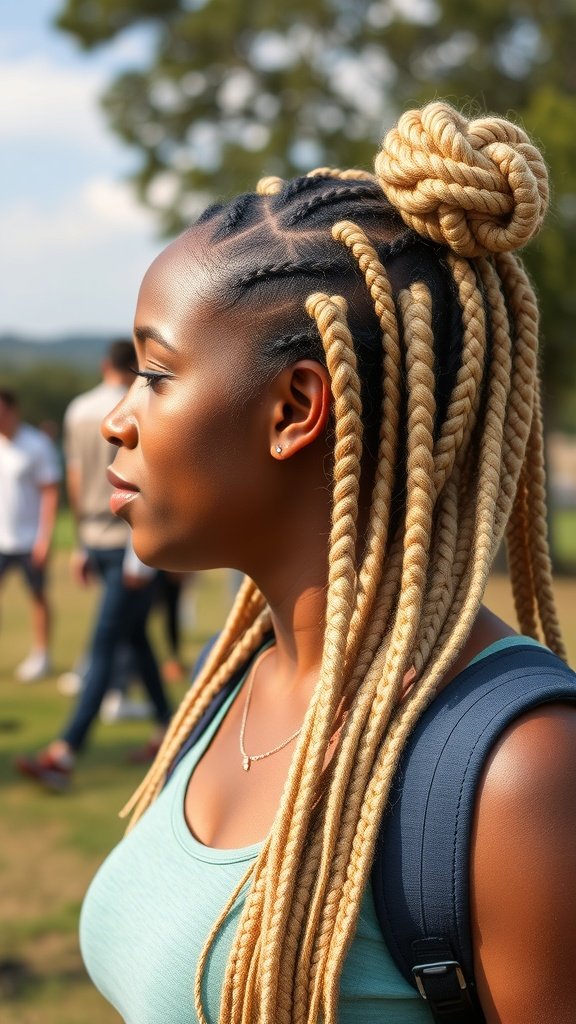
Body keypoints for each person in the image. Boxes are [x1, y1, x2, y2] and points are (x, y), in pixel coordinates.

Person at [77, 102, 575, 1023]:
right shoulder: (240, 679)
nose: (118, 418)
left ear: (295, 410)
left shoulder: (519, 772)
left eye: (156, 373)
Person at [15, 340, 172, 789]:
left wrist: (82, 542)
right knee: (126, 638)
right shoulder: (139, 407)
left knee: (111, 641)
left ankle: (64, 752)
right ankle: (169, 728)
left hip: (100, 538)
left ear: (103, 365)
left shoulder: (79, 410)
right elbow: (148, 475)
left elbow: (77, 478)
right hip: (129, 540)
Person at [0, 388, 61, 681]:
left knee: (37, 596)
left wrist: (44, 538)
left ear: (13, 410)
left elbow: (50, 493)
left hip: (28, 539)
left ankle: (41, 655)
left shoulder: (36, 444)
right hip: (1, 539)